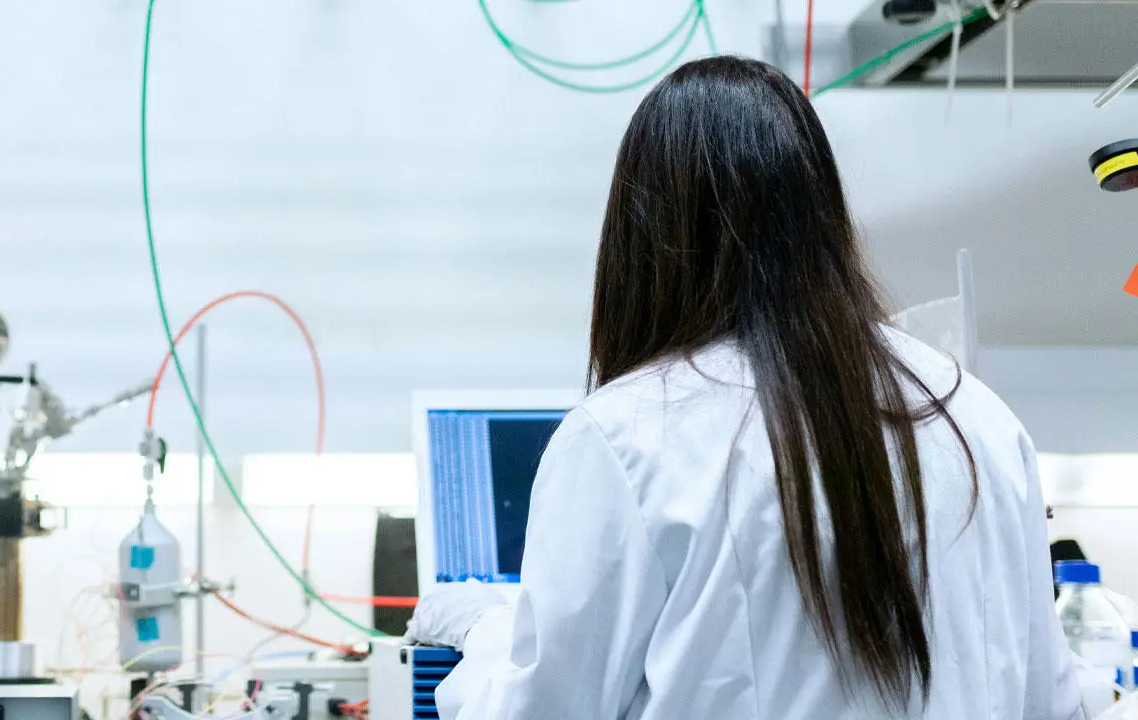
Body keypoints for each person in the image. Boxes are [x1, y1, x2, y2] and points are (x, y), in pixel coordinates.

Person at [410, 56, 1081, 719]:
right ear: (821, 212)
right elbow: (1052, 703)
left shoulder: (627, 436)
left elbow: (540, 709)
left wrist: (483, 632)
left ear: (643, 236)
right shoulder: (973, 415)